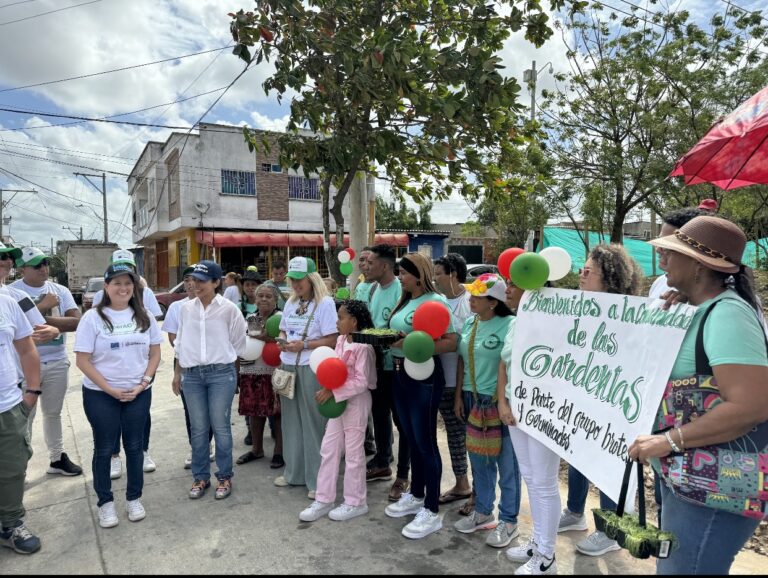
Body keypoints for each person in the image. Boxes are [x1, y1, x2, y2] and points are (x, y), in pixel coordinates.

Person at [629, 216, 768, 575]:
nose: (662, 256)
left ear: (698, 265)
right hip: (689, 480)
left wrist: (668, 441)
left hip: (715, 489)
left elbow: (751, 407)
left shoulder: (728, 316)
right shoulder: (698, 308)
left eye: (673, 251)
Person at [557, 244, 644, 557]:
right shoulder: (580, 305)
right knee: (578, 455)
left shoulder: (630, 313)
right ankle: (575, 513)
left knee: (609, 462)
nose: (581, 276)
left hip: (613, 405)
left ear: (608, 277)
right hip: (584, 399)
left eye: (587, 271)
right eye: (581, 270)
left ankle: (611, 529)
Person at [74, 263, 162, 528]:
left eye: (127, 283)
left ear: (134, 286)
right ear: (107, 287)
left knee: (135, 447)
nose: (123, 288)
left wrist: (144, 382)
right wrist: (110, 389)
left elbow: (155, 353)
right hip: (101, 394)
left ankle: (134, 497)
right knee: (103, 449)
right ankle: (106, 503)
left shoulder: (143, 315)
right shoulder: (93, 318)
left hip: (138, 392)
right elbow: (83, 360)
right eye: (117, 283)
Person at [384, 252, 458, 540]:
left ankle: (431, 508)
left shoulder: (435, 302)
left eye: (404, 273)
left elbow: (451, 341)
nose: (400, 277)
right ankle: (416, 494)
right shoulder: (406, 300)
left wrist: (418, 345)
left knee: (426, 441)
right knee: (412, 439)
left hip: (425, 376)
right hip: (400, 372)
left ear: (419, 274)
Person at [498, 262, 561, 575]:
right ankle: (537, 542)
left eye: (512, 284)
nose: (506, 290)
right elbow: (504, 365)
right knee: (531, 479)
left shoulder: (555, 322)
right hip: (515, 412)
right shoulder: (514, 321)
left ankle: (547, 556)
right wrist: (502, 402)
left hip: (543, 412)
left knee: (545, 482)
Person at [453, 273, 520, 549]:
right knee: (478, 458)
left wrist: (503, 401)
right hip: (471, 399)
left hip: (497, 401)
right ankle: (483, 511)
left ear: (493, 302)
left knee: (506, 462)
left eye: (477, 296)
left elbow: (511, 364)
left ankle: (509, 520)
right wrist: (459, 395)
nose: (470, 299)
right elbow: (461, 362)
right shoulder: (471, 322)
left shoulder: (511, 324)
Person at [172, 260, 246, 500]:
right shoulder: (186, 309)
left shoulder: (229, 309)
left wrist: (227, 367)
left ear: (216, 282)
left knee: (221, 426)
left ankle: (224, 476)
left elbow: (238, 343)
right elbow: (180, 343)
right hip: (192, 376)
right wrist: (177, 373)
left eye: (203, 280)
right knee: (199, 428)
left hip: (221, 374)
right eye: (194, 279)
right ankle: (200, 476)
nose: (196, 284)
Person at [299, 300, 376, 522]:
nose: (337, 321)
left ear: (353, 321)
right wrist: (328, 387)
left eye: (341, 317)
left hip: (356, 402)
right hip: (338, 402)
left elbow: (362, 381)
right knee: (329, 448)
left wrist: (334, 392)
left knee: (353, 453)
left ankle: (355, 501)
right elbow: (336, 370)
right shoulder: (341, 340)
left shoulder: (364, 346)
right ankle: (324, 498)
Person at [11, 247, 83, 477]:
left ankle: (57, 458)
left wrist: (51, 326)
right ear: (23, 268)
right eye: (37, 265)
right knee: (25, 416)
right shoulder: (11, 293)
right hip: (23, 367)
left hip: (56, 362)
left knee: (53, 413)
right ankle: (20, 464)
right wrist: (42, 308)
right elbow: (13, 327)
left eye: (46, 263)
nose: (44, 269)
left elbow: (76, 322)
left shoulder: (59, 290)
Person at [92, 249, 162, 477]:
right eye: (119, 267)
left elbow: (153, 327)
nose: (123, 284)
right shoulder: (100, 300)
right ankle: (114, 456)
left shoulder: (146, 292)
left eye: (129, 268)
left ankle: (143, 451)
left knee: (141, 415)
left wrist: (146, 376)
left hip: (140, 366)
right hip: (109, 371)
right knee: (111, 418)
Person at [274, 257, 339, 498]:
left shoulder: (325, 304)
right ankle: (294, 473)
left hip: (312, 367)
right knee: (290, 422)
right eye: (293, 279)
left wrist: (305, 344)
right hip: (288, 365)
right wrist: (283, 340)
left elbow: (332, 338)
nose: (295, 283)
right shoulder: (291, 302)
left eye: (300, 279)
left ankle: (317, 480)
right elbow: (282, 327)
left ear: (312, 279)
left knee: (314, 424)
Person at [364, 244, 410, 502]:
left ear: (384, 265)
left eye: (370, 263)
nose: (366, 267)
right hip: (377, 365)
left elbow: (399, 331)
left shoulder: (401, 291)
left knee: (402, 422)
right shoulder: (372, 289)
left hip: (398, 366)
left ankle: (403, 475)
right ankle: (383, 460)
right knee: (379, 414)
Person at [0, 293, 43, 554]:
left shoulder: (6, 303)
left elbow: (26, 348)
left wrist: (33, 391)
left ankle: (10, 523)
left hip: (7, 405)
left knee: (13, 468)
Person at [162, 266, 214, 469]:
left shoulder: (214, 305)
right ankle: (196, 448)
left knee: (211, 409)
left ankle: (208, 444)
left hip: (212, 364)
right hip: (185, 362)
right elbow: (173, 338)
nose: (191, 283)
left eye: (195, 279)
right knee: (191, 410)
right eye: (187, 279)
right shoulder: (177, 307)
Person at [433, 253, 473, 509]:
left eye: (438, 273)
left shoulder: (471, 301)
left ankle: (481, 493)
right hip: (443, 378)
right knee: (455, 435)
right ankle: (462, 483)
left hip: (470, 382)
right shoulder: (436, 302)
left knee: (476, 438)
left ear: (453, 275)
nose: (434, 278)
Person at [236, 278, 284, 469]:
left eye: (268, 296)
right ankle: (257, 450)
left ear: (276, 300)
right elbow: (242, 345)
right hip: (251, 370)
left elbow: (286, 343)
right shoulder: (250, 318)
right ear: (255, 299)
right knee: (254, 413)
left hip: (275, 372)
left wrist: (269, 339)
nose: (264, 299)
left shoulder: (281, 318)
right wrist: (239, 371)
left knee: (278, 414)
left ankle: (279, 452)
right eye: (260, 296)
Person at [649, 207, 707, 300]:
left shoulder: (724, 306)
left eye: (668, 245)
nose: (658, 249)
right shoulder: (660, 283)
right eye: (660, 241)